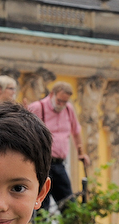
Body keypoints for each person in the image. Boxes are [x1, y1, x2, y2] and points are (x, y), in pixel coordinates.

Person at [28, 82, 90, 212]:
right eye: (59, 100)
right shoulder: (38, 107)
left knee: (68, 203)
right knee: (42, 205)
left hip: (59, 164)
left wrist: (81, 153)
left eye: (65, 102)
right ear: (52, 94)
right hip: (42, 163)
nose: (61, 104)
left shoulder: (68, 109)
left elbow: (76, 131)